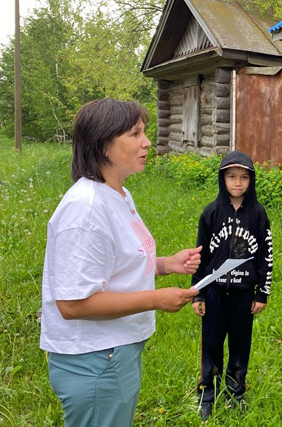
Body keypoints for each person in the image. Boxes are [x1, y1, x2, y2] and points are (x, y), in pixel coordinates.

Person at [40, 99, 201, 427]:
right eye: (135, 133)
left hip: (115, 351)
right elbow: (73, 303)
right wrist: (157, 299)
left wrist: (167, 264)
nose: (147, 142)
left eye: (145, 132)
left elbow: (118, 264)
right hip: (94, 359)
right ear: (103, 146)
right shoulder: (85, 209)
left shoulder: (119, 195)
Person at [191, 150, 273, 421]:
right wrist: (198, 293)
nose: (238, 183)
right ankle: (207, 394)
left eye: (244, 177)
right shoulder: (211, 213)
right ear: (222, 179)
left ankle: (236, 392)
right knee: (211, 343)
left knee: (240, 344)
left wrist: (262, 292)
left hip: (243, 295)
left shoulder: (258, 215)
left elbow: (266, 256)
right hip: (214, 293)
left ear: (251, 180)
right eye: (231, 177)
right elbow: (199, 256)